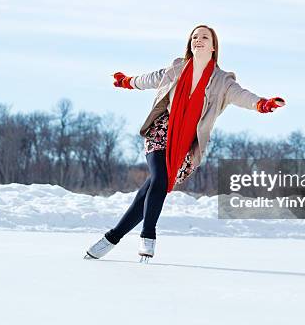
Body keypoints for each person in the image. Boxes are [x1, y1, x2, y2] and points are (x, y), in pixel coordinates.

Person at [84, 24, 285, 261]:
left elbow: (243, 96)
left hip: (187, 145)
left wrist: (263, 104)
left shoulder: (222, 81)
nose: (198, 40)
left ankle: (110, 239)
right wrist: (127, 81)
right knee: (159, 178)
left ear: (213, 46)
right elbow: (149, 79)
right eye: (194, 37)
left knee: (149, 192)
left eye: (204, 37)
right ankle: (148, 236)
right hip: (162, 131)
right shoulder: (176, 69)